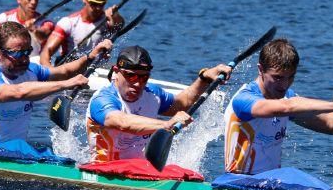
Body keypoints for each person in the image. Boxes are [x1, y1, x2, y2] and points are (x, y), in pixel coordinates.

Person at [224, 38, 333, 176]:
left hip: (269, 185)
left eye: (290, 77)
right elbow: (287, 107)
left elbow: (331, 125)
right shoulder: (244, 100)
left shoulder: (287, 97)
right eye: (277, 78)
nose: (284, 85)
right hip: (238, 183)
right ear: (260, 70)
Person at [0, 22, 113, 144]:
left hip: (16, 153)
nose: (24, 59)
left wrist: (90, 57)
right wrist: (67, 84)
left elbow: (64, 71)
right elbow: (19, 92)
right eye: (17, 54)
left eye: (27, 51)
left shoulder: (32, 71)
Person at [86, 46, 232, 163]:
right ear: (117, 72)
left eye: (144, 77)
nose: (137, 83)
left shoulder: (153, 94)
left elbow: (182, 104)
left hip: (138, 169)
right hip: (103, 168)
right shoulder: (102, 99)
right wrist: (166, 124)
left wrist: (204, 78)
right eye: (131, 75)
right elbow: (122, 122)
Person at [40, 0, 124, 65]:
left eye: (101, 4)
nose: (98, 8)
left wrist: (116, 15)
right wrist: (49, 72)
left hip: (94, 68)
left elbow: (120, 25)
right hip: (69, 68)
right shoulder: (68, 23)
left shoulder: (107, 21)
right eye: (94, 4)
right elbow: (46, 52)